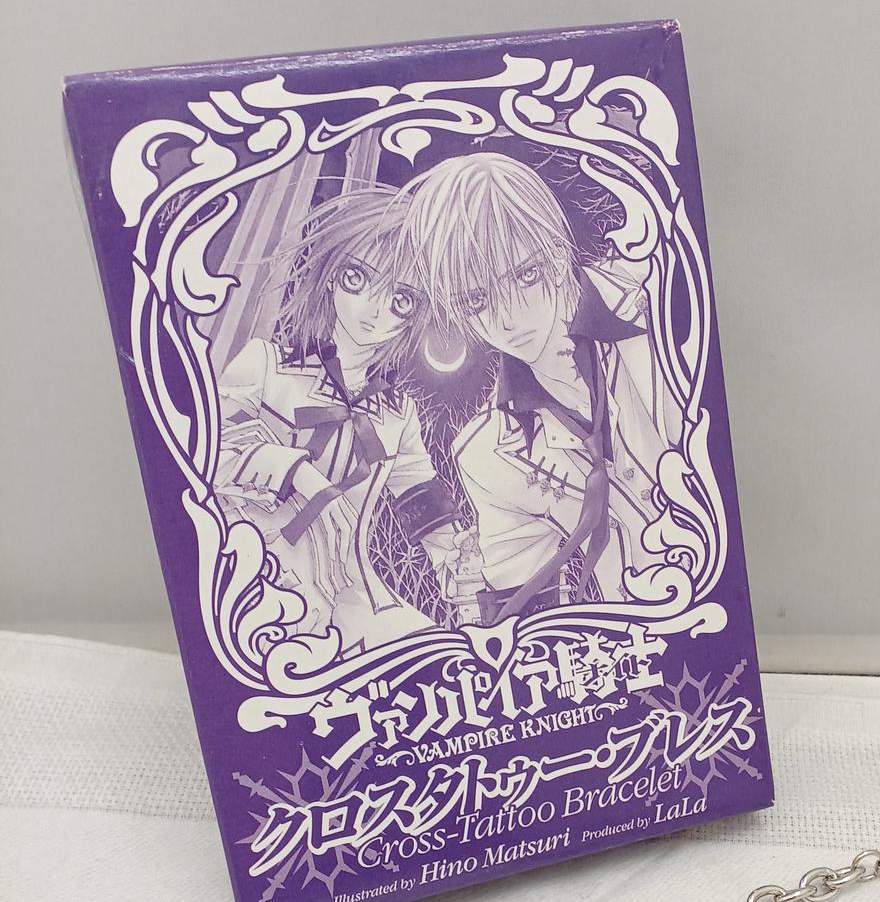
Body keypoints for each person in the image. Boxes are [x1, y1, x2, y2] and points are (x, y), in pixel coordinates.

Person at [388, 153, 683, 624]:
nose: (508, 318)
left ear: (558, 253)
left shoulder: (662, 301)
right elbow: (524, 618)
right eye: (476, 300)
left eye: (524, 276)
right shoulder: (488, 456)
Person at [213, 185, 477, 652]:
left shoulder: (396, 414)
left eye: (401, 300)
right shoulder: (266, 366)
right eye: (358, 278)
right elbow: (205, 456)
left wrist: (458, 558)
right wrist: (298, 473)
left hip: (349, 590)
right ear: (332, 276)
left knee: (430, 653)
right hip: (257, 567)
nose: (374, 311)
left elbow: (424, 502)